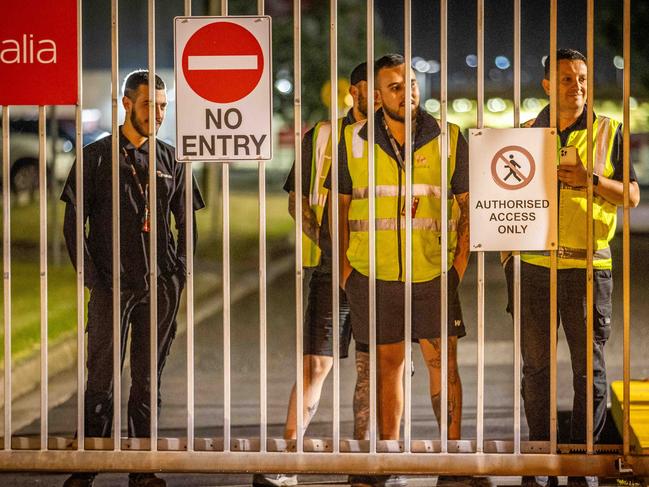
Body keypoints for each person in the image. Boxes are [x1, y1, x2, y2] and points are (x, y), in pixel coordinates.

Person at [334, 54, 476, 487]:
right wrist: (346, 273)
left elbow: (468, 207)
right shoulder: (354, 140)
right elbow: (340, 212)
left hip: (433, 273)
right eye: (395, 86)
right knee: (389, 366)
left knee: (442, 363)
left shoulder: (449, 138)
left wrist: (457, 267)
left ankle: (450, 461)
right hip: (373, 275)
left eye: (411, 83)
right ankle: (388, 458)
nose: (407, 92)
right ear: (375, 96)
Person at [60, 70, 205, 487]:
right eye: (149, 105)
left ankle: (143, 469)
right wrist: (93, 279)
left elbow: (186, 224)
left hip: (159, 287)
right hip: (110, 284)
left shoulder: (173, 159)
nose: (158, 114)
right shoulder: (96, 156)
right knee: (101, 378)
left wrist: (179, 273)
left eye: (163, 106)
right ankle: (86, 466)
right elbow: (74, 225)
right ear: (126, 103)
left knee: (146, 380)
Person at [503, 48, 640, 487]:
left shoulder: (608, 132)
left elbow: (633, 197)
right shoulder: (525, 134)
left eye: (581, 79)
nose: (576, 86)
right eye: (565, 79)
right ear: (547, 85)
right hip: (534, 267)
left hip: (586, 268)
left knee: (590, 370)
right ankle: (541, 461)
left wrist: (591, 181)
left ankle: (583, 463)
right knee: (536, 368)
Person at [253, 62, 376, 487]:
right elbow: (297, 202)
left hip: (385, 273)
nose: (381, 97)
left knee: (372, 368)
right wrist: (328, 246)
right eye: (372, 89)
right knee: (315, 365)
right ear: (355, 92)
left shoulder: (402, 140)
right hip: (332, 270)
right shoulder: (323, 137)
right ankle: (289, 459)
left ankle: (364, 465)